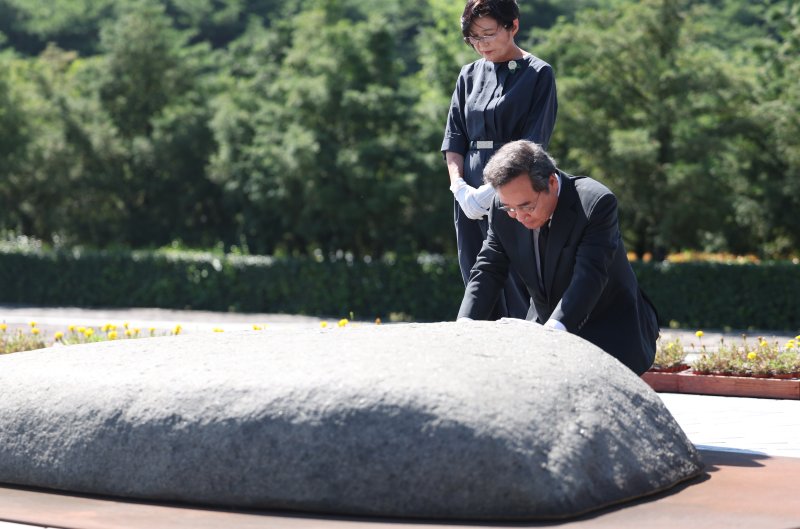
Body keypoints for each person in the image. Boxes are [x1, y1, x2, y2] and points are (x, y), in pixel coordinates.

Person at [457, 140, 659, 375]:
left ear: (551, 183)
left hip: (609, 331)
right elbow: (488, 268)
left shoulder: (594, 202)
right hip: (545, 327)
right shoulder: (502, 208)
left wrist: (553, 333)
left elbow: (589, 276)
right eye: (509, 208)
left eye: (527, 207)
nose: (519, 217)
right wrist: (465, 327)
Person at [442, 0, 557, 320]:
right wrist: (459, 188)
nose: (481, 45)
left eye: (489, 34)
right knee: (474, 273)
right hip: (468, 189)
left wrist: (496, 192)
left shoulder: (538, 74)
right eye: (473, 38)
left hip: (516, 190)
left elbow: (535, 140)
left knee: (516, 277)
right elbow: (454, 138)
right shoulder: (467, 75)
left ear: (513, 26)